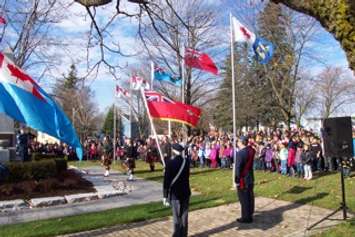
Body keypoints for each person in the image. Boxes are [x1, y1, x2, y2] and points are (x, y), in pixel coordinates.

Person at [163, 143, 191, 237]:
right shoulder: (186, 162)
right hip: (185, 192)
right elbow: (187, 176)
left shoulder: (170, 163)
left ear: (173, 151)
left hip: (175, 194)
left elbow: (166, 181)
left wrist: (165, 195)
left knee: (176, 217)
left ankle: (177, 235)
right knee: (184, 216)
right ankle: (183, 234)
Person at [235, 136, 255, 223]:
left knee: (244, 198)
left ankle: (246, 217)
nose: (237, 143)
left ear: (242, 142)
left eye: (238, 141)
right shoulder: (251, 150)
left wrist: (237, 180)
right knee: (250, 197)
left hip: (243, 178)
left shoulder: (240, 153)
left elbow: (238, 168)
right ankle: (249, 213)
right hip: (250, 176)